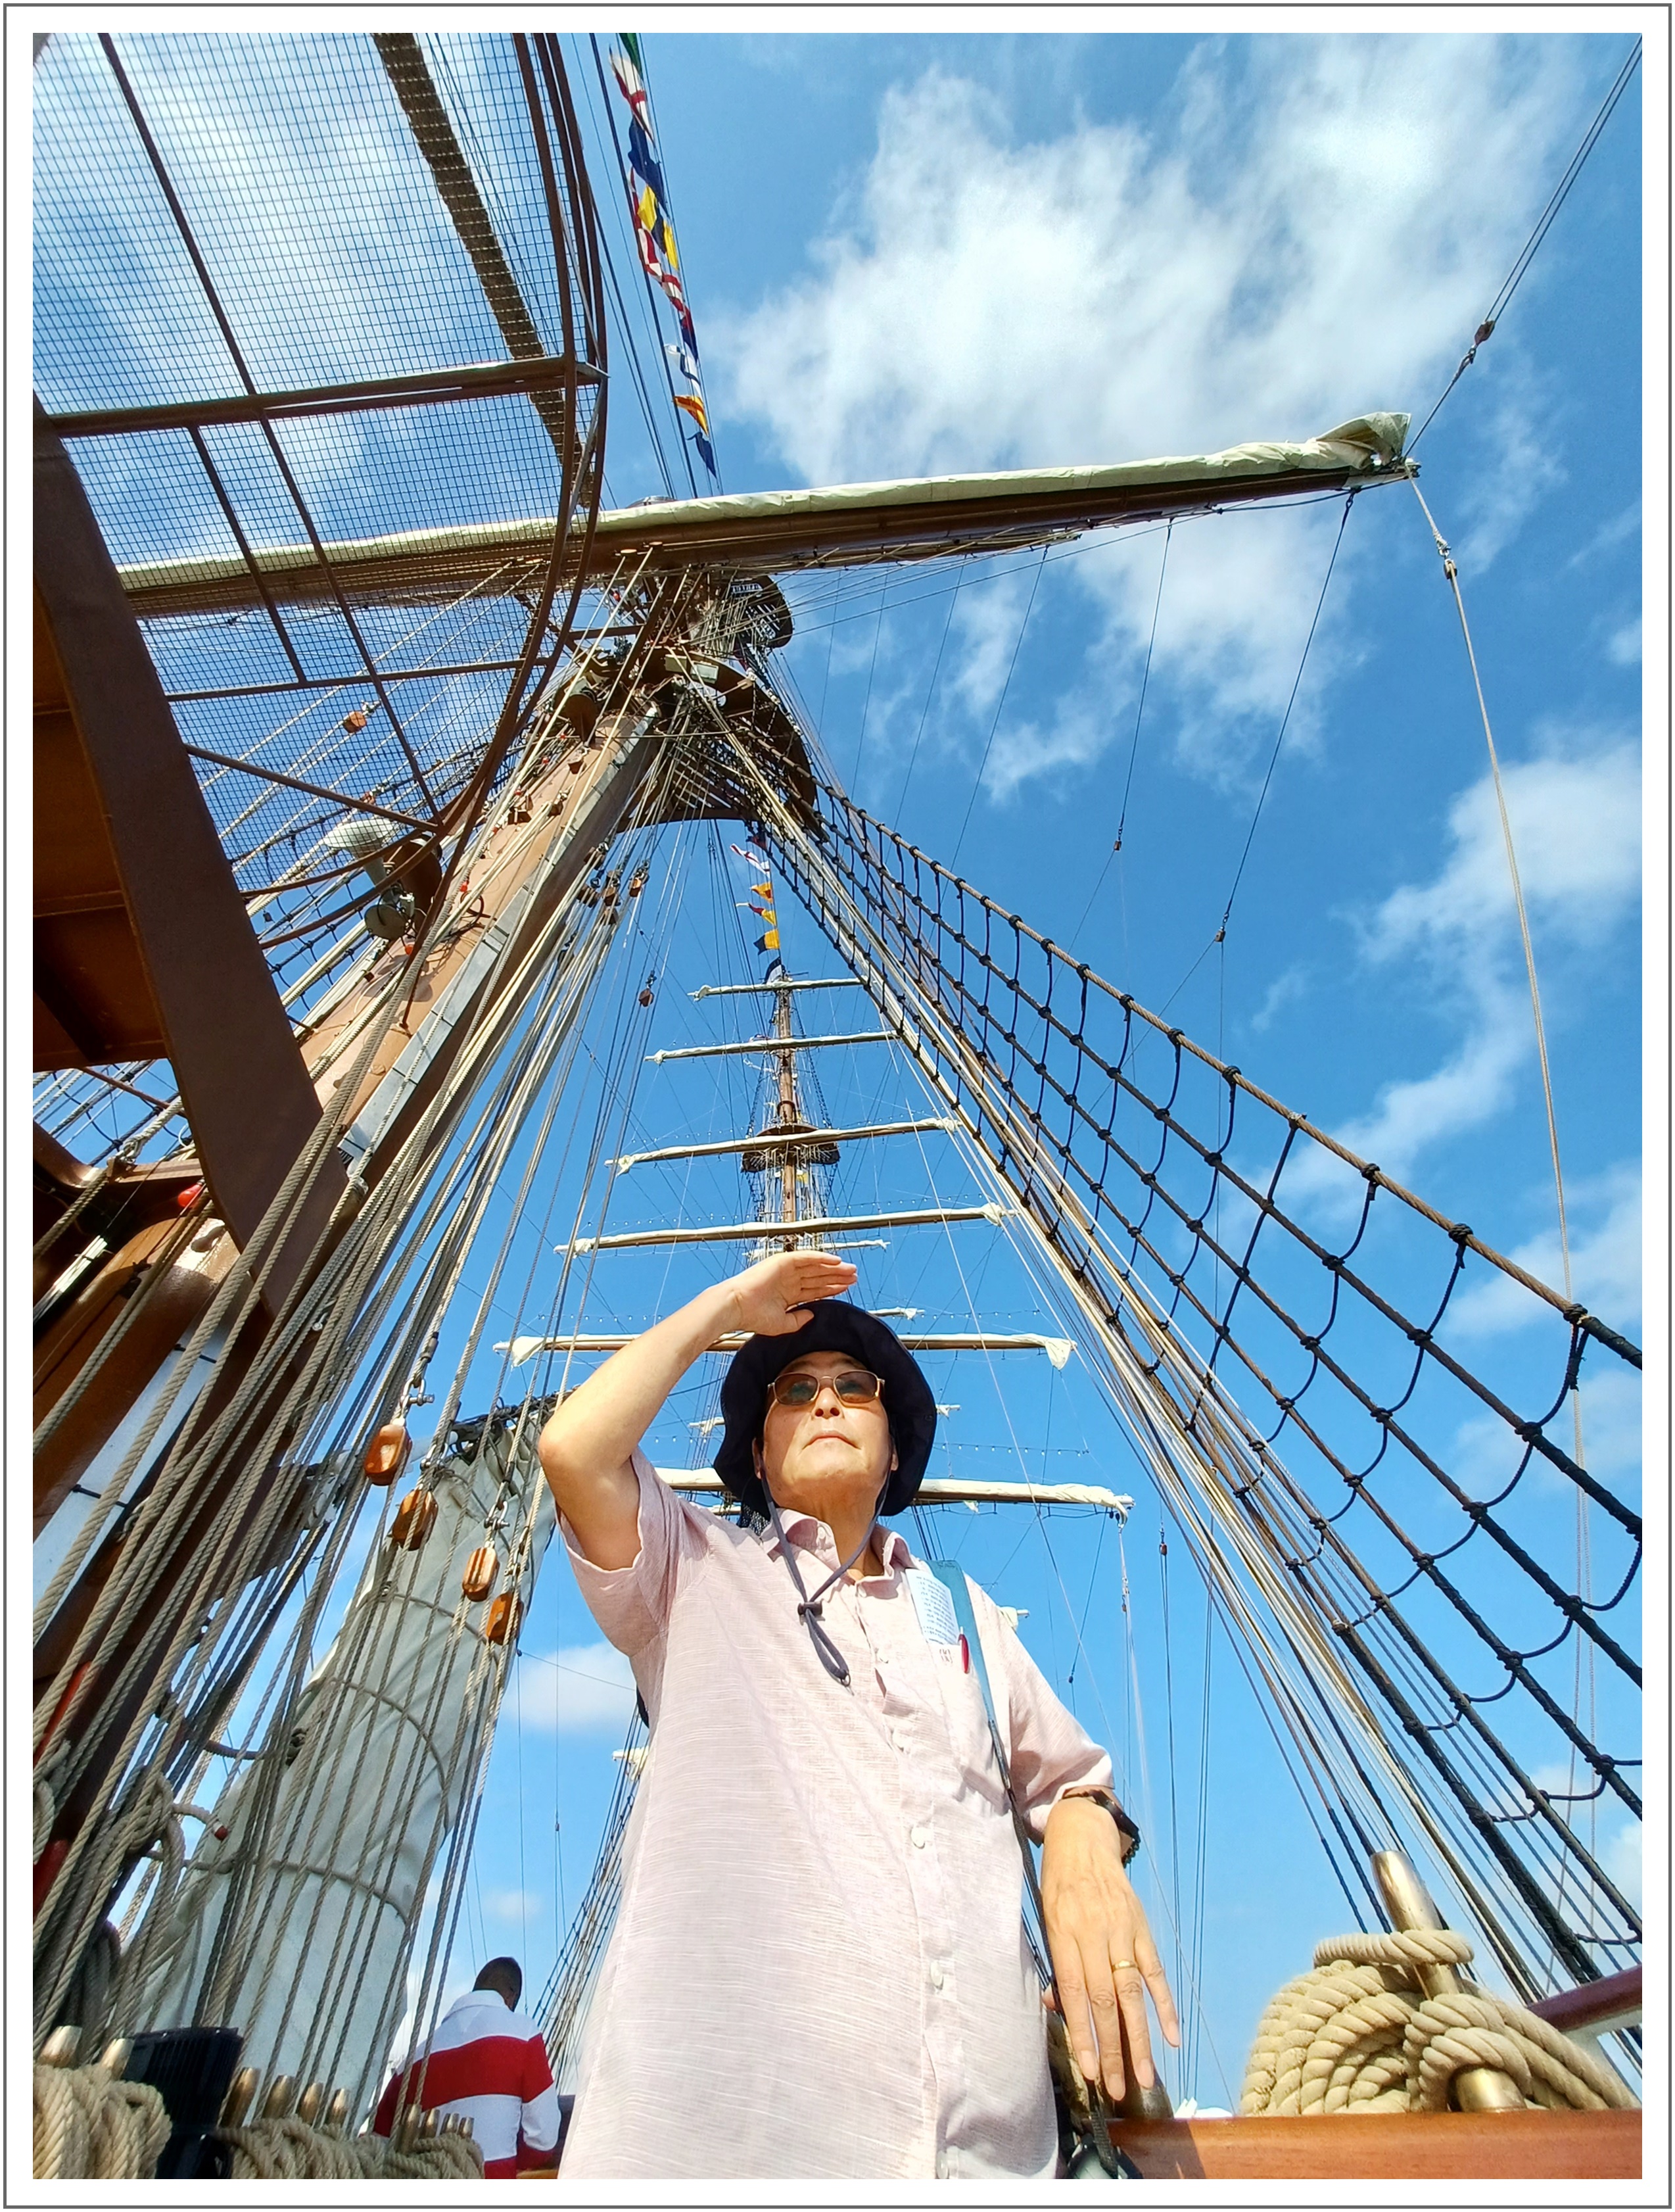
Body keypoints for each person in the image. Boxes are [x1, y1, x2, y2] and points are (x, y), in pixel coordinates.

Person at [538, 1250, 1178, 2181]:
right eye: (795, 1392)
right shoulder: (692, 1571)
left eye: (854, 1387)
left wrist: (1082, 1843)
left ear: (896, 1450)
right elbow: (574, 1448)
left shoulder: (965, 1616)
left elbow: (1076, 1782)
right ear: (758, 1456)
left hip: (996, 2169)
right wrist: (729, 1305)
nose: (827, 1402)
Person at [372, 1956, 561, 2176]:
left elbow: (379, 2144)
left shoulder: (411, 2062)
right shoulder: (524, 2034)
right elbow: (544, 2139)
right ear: (510, 1998)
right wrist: (508, 2166)